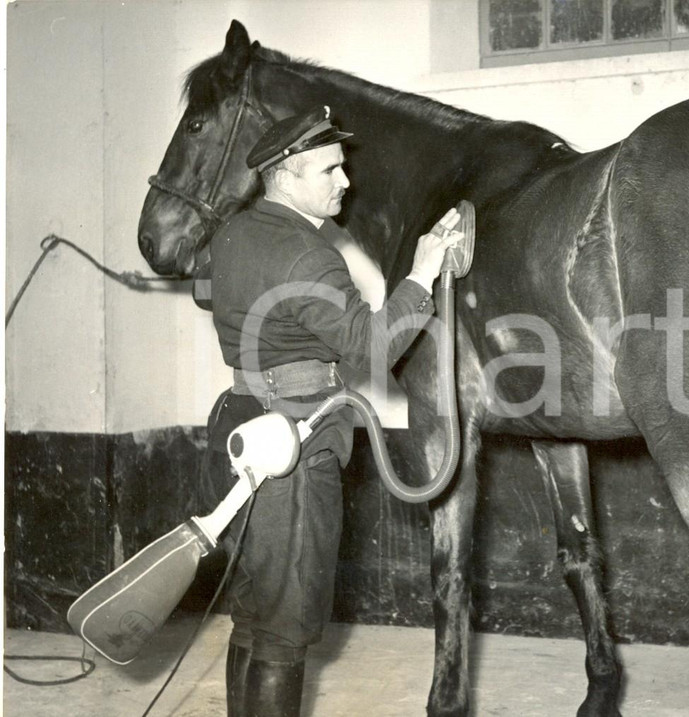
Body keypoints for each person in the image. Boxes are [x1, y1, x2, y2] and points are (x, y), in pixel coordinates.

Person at [200, 105, 463, 717]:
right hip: (293, 439)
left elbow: (205, 289)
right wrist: (421, 276)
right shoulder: (309, 255)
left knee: (254, 612)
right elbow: (373, 348)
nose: (346, 182)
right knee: (287, 626)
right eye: (330, 170)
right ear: (287, 174)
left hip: (237, 424)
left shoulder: (231, 234)